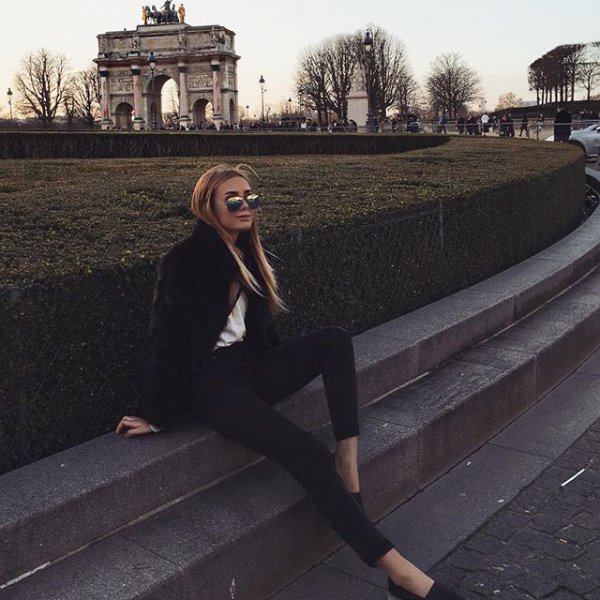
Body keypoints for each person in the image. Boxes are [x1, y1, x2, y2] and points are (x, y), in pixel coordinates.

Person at [116, 164, 466, 600]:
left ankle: (348, 461)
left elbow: (259, 334)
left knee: (335, 341)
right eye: (234, 199)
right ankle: (403, 576)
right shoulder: (186, 260)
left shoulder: (247, 252)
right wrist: (155, 413)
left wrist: (282, 363)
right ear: (207, 204)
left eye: (251, 198)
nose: (246, 206)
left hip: (246, 367)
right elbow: (166, 341)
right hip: (211, 384)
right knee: (306, 453)